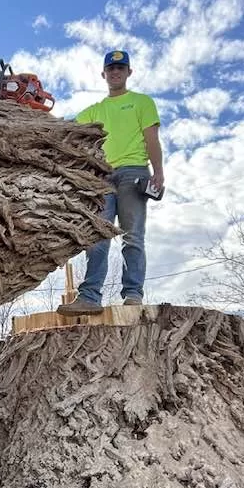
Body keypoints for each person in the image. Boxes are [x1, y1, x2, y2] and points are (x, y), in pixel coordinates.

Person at [57, 49, 164, 316]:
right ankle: (90, 297)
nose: (115, 72)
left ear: (129, 72)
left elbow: (151, 138)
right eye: (111, 68)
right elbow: (65, 129)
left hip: (134, 173)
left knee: (133, 237)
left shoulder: (142, 102)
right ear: (104, 74)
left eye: (121, 67)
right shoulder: (96, 110)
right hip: (102, 176)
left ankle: (133, 295)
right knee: (97, 236)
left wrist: (158, 171)